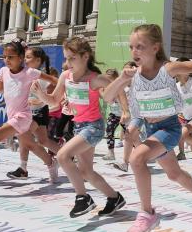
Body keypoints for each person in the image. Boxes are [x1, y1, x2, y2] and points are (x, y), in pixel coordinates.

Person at [103, 24, 192, 232]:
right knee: (174, 174)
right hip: (152, 131)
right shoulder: (133, 75)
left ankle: (147, 214)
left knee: (137, 159)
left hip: (170, 128)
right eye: (131, 47)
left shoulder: (168, 69)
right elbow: (108, 97)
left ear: (155, 48)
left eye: (140, 46)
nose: (134, 52)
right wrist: (121, 78)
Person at [33, 37, 125, 218]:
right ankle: (114, 198)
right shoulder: (65, 76)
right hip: (79, 127)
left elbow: (117, 89)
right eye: (66, 59)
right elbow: (53, 101)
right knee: (86, 171)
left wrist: (126, 110)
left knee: (63, 155)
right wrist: (41, 94)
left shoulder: (95, 79)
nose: (68, 63)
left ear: (85, 57)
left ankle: (83, 198)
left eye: (72, 58)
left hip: (94, 127)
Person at [0, 39, 58, 192]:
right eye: (4, 57)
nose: (6, 60)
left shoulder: (30, 72)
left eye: (10, 57)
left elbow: (55, 80)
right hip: (13, 117)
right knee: (30, 145)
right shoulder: (3, 72)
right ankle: (51, 163)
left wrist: (52, 97)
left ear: (20, 58)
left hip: (23, 116)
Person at [7, 47, 61, 179]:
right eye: (24, 57)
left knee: (25, 137)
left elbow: (49, 95)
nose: (25, 60)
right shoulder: (26, 73)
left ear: (38, 61)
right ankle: (66, 156)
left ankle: (26, 168)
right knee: (43, 140)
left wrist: (37, 101)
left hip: (37, 113)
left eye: (28, 57)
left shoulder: (40, 76)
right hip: (30, 112)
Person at [102, 68, 130, 161]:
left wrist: (124, 113)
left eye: (110, 80)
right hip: (113, 114)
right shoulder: (106, 89)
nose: (108, 82)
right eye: (106, 80)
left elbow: (124, 102)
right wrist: (103, 112)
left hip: (123, 113)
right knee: (109, 130)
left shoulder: (122, 88)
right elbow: (105, 101)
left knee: (130, 134)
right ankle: (111, 153)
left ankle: (136, 153)